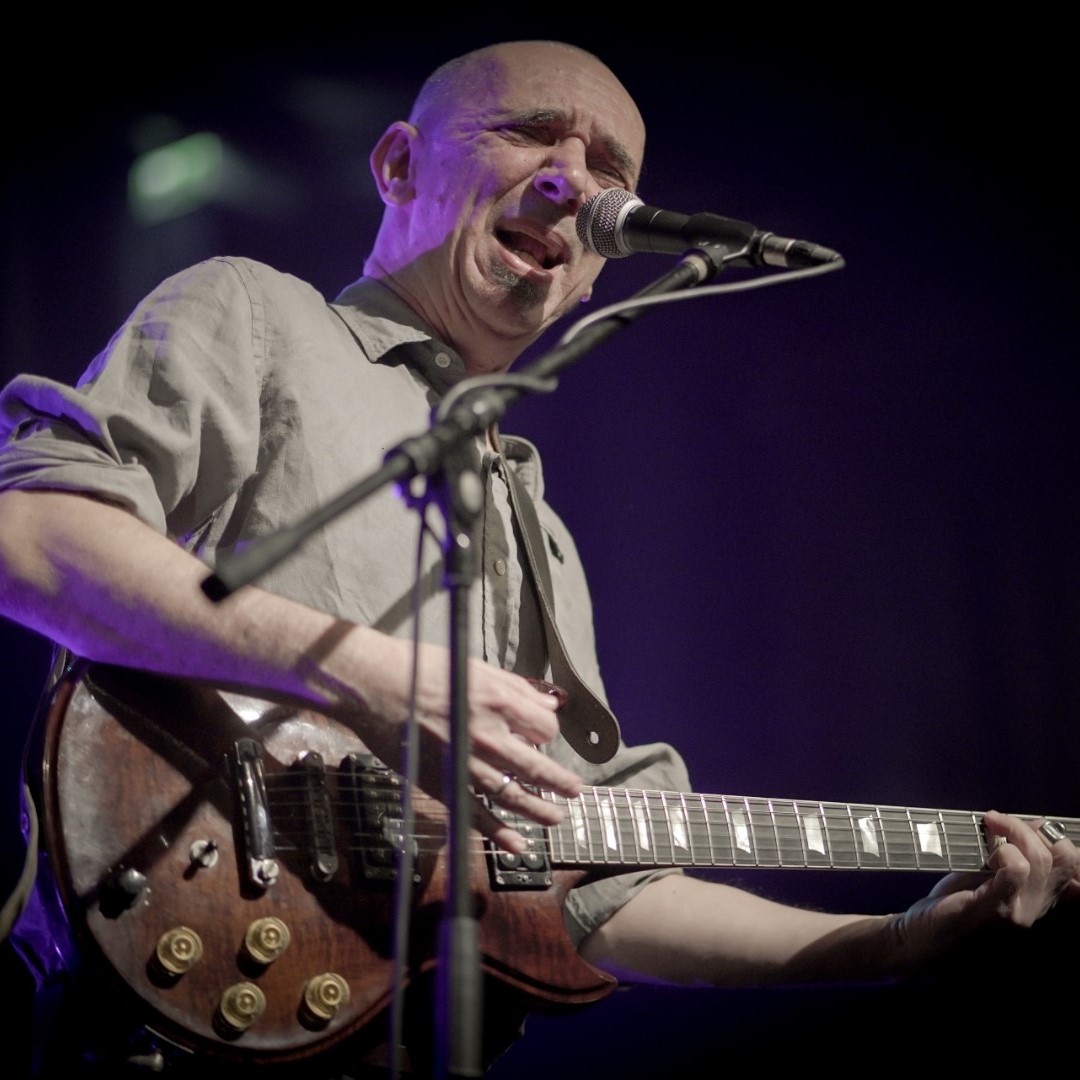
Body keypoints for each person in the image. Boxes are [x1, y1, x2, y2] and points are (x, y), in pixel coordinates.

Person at [0, 39, 1075, 1077]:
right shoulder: (256, 314)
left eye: (611, 169)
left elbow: (599, 892)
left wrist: (894, 944)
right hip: (168, 978)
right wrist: (372, 674)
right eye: (529, 134)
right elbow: (31, 538)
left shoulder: (539, 529)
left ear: (601, 265)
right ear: (399, 165)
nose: (574, 180)